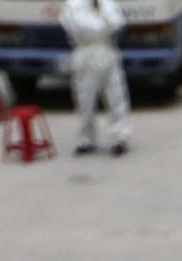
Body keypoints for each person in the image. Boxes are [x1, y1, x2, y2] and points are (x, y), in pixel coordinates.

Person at [63, 0, 131, 158]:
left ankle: (120, 137)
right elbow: (76, 25)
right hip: (85, 54)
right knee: (84, 100)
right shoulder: (73, 4)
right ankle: (86, 139)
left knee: (116, 97)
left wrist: (103, 15)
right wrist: (101, 22)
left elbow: (117, 23)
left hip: (107, 52)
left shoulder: (107, 3)